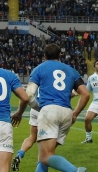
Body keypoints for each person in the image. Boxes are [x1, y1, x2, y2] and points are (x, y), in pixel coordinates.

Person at [27, 44, 90, 172]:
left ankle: (76, 171)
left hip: (49, 111)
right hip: (66, 112)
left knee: (45, 156)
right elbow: (86, 94)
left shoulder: (39, 69)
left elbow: (29, 94)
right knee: (46, 154)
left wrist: (38, 107)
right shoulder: (71, 70)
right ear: (60, 55)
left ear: (44, 56)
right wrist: (75, 113)